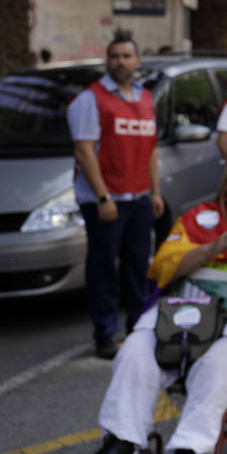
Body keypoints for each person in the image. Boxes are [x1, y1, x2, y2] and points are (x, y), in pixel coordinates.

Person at [94, 150, 227, 454]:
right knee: (135, 352)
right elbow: (162, 269)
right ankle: (122, 439)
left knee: (219, 366)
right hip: (181, 311)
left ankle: (189, 447)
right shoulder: (197, 217)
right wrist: (211, 248)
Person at [67, 33, 165, 359]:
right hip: (106, 201)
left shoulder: (145, 98)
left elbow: (150, 150)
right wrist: (102, 197)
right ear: (107, 61)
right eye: (114, 56)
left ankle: (137, 328)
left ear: (137, 62)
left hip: (138, 198)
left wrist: (155, 191)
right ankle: (105, 333)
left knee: (138, 266)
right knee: (104, 268)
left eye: (126, 56)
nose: (120, 61)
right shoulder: (89, 99)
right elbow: (84, 151)